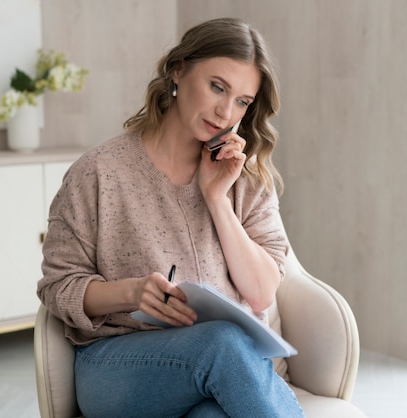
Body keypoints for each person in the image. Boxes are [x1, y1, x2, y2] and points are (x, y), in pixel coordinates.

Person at [37, 17, 305, 418]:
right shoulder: (98, 172)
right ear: (178, 70)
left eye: (242, 101)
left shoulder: (244, 178)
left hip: (215, 370)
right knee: (222, 343)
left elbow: (263, 292)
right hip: (116, 367)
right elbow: (58, 286)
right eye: (217, 87)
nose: (225, 111)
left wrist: (216, 198)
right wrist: (132, 293)